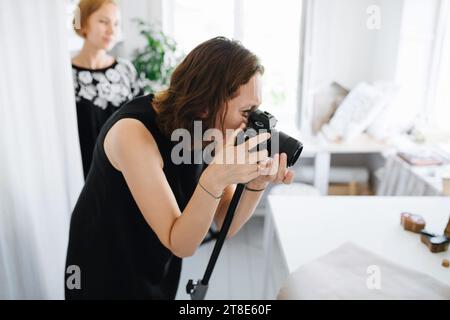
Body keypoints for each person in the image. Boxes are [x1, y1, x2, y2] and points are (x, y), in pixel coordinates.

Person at [65, 37, 295, 300]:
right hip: (104, 264)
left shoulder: (212, 131)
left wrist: (257, 182)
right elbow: (181, 243)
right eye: (247, 112)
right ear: (206, 104)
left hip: (155, 259)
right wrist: (215, 178)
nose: (254, 121)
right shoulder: (132, 134)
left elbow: (225, 223)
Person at [71, 0, 143, 178]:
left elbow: (142, 124)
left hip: (124, 171)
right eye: (104, 22)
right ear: (84, 23)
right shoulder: (65, 77)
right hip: (80, 173)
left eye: (116, 23)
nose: (112, 30)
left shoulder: (126, 71)